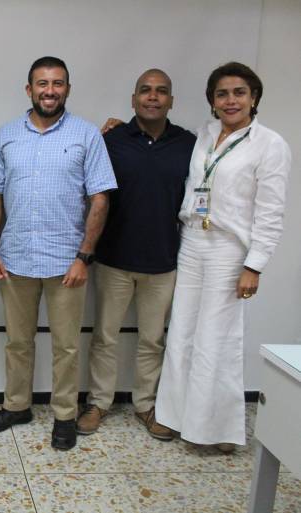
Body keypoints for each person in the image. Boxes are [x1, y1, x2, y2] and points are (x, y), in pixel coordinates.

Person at [0, 56, 116, 451]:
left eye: (58, 83)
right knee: (17, 342)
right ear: (29, 89)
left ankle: (63, 416)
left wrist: (84, 256)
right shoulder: (6, 135)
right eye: (42, 83)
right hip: (16, 258)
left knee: (66, 346)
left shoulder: (86, 135)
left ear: (67, 89)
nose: (50, 90)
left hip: (65, 263)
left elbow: (100, 198)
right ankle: (17, 406)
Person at [155, 62, 291, 453]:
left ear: (254, 98)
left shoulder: (269, 145)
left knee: (218, 338)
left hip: (230, 251)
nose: (230, 101)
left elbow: (270, 212)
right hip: (192, 242)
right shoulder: (205, 135)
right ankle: (179, 419)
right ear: (212, 102)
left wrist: (254, 265)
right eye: (222, 94)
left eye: (239, 93)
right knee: (181, 333)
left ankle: (217, 430)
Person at [77, 70, 196, 440]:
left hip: (163, 262)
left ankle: (147, 405)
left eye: (162, 92)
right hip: (114, 258)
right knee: (105, 337)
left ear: (171, 101)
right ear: (133, 99)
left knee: (152, 340)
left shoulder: (189, 144)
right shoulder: (112, 139)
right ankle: (98, 403)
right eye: (145, 91)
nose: (153, 97)